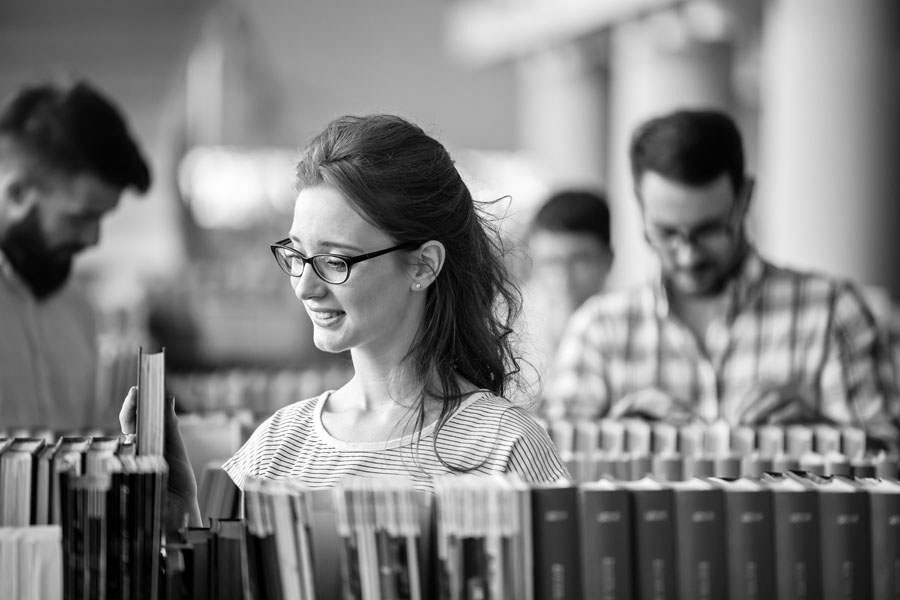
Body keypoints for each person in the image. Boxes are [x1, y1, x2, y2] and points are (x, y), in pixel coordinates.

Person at [121, 114, 569, 523]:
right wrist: (180, 520)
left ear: (423, 265)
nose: (304, 286)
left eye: (336, 261)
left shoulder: (505, 446)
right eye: (297, 254)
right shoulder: (276, 446)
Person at [544, 108, 898, 447]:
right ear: (640, 206)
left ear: (745, 199)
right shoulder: (598, 329)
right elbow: (550, 468)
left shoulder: (833, 313)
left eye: (708, 230)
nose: (688, 254)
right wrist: (611, 440)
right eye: (667, 233)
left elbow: (890, 462)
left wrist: (819, 436)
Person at [0, 80, 151, 432]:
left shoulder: (77, 310)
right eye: (80, 216)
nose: (93, 238)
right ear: (19, 194)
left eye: (101, 218)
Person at [518, 189, 613, 410]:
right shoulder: (507, 330)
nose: (564, 278)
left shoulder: (632, 332)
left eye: (579, 261)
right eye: (551, 262)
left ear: (608, 260)